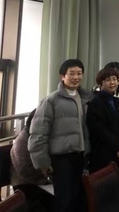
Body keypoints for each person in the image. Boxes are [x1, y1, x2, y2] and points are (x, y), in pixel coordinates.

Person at [28, 59, 93, 212]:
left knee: (76, 197)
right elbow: (38, 134)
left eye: (79, 73)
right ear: (62, 76)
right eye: (72, 74)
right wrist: (42, 163)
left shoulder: (84, 98)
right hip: (61, 159)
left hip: (79, 156)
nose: (76, 77)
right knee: (63, 200)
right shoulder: (51, 101)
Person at [87, 67, 119, 176]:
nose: (112, 83)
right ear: (100, 83)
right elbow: (101, 130)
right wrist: (118, 146)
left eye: (114, 79)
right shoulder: (95, 103)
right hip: (103, 153)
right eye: (108, 80)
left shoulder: (117, 101)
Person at [10, 109, 52, 212]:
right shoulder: (22, 142)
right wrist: (48, 176)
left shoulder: (37, 138)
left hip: (39, 182)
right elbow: (25, 169)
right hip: (25, 185)